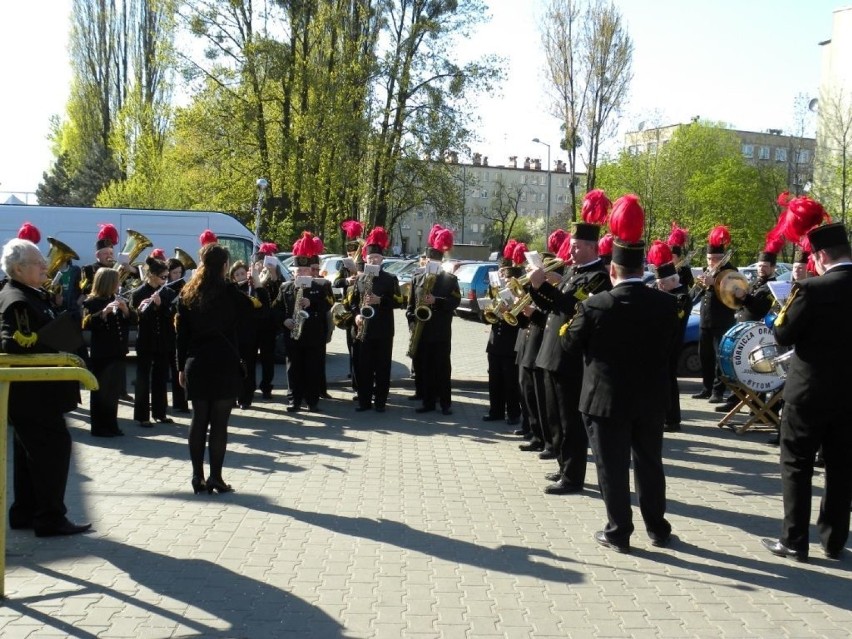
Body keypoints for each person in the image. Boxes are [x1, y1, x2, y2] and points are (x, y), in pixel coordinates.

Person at [561, 196, 681, 554]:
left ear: (612, 270)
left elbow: (569, 345)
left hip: (605, 400)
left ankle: (619, 532)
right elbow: (671, 349)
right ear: (642, 267)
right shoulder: (666, 304)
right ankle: (658, 529)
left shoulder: (596, 304)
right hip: (649, 400)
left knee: (611, 467)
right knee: (650, 465)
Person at [762, 211, 851, 563]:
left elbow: (783, 333)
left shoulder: (810, 288)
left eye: (813, 257)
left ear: (823, 256)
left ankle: (794, 540)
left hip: (809, 391)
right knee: (842, 467)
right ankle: (833, 540)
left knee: (796, 464)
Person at [0, 238, 91, 536]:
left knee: (29, 453)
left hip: (32, 394)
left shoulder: (28, 294)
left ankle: (25, 512)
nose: (45, 265)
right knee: (54, 448)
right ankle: (50, 518)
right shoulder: (18, 300)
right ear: (18, 268)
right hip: (34, 395)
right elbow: (13, 343)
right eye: (38, 262)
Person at [528, 190, 612, 495]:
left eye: (576, 248)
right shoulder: (574, 272)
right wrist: (535, 288)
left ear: (591, 247)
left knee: (570, 421)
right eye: (571, 247)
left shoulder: (598, 278)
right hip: (553, 352)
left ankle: (573, 475)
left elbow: (569, 306)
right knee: (554, 417)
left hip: (570, 356)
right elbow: (551, 306)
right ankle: (564, 465)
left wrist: (544, 287)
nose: (571, 252)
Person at [177, 242, 255, 495]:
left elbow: (182, 336)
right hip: (224, 363)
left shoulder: (188, 293)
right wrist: (255, 285)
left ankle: (197, 477)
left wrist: (180, 368)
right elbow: (254, 313)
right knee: (219, 424)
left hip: (196, 363)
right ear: (224, 266)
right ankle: (216, 478)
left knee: (198, 420)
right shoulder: (231, 293)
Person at [275, 232, 332, 412]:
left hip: (313, 335)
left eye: (305, 271)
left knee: (312, 369)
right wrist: (284, 320)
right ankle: (294, 399)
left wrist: (312, 304)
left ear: (310, 272)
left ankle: (312, 401)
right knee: (293, 369)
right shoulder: (286, 288)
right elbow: (275, 309)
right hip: (293, 334)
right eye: (298, 271)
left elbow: (326, 307)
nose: (301, 274)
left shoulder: (319, 287)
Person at [406, 225, 460, 415]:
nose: (431, 263)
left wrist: (437, 301)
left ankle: (445, 404)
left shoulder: (450, 279)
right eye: (429, 260)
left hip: (440, 331)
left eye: (435, 260)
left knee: (443, 369)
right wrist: (413, 325)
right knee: (426, 368)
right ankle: (427, 402)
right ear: (425, 260)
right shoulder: (417, 277)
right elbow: (410, 305)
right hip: (422, 330)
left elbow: (455, 301)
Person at [350, 227, 402, 412]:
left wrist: (381, 300)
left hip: (383, 330)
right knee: (364, 368)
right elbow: (353, 302)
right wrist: (356, 314)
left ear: (382, 260)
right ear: (365, 259)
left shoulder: (390, 279)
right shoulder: (360, 279)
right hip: (364, 329)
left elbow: (399, 301)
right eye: (370, 258)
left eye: (377, 258)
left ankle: (380, 402)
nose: (373, 260)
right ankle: (364, 402)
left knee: (382, 368)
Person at [81, 268, 134, 437]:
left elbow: (132, 320)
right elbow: (86, 324)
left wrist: (125, 310)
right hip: (102, 354)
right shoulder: (91, 302)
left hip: (118, 352)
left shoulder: (118, 299)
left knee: (113, 392)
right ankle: (98, 427)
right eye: (116, 282)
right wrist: (103, 313)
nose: (119, 285)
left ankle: (112, 425)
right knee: (100, 392)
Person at [647, 240, 692, 433]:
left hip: (673, 343)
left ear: (673, 280)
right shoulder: (666, 292)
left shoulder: (681, 295)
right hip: (660, 342)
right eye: (658, 284)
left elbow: (674, 315)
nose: (660, 287)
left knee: (669, 381)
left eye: (662, 284)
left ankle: (672, 418)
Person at [690, 226, 737, 403]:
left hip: (722, 321)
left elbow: (734, 294)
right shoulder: (707, 270)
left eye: (716, 259)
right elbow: (696, 295)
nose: (712, 262)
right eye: (709, 259)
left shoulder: (731, 271)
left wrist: (714, 283)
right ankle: (706, 387)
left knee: (720, 358)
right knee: (705, 356)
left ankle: (718, 391)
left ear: (723, 258)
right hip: (705, 321)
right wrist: (700, 285)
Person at [130, 256, 178, 426]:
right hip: (146, 340)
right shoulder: (139, 293)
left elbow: (171, 315)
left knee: (161, 377)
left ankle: (160, 412)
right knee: (143, 378)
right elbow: (137, 319)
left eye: (167, 277)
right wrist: (149, 306)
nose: (166, 281)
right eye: (163, 277)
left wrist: (161, 305)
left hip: (163, 340)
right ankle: (142, 415)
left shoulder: (168, 292)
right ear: (151, 275)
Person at [483, 240, 524, 426]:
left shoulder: (521, 297)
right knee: (494, 379)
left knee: (510, 381)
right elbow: (487, 318)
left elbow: (522, 322)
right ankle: (496, 410)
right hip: (495, 342)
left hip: (511, 344)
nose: (506, 284)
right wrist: (491, 310)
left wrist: (513, 307)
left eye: (509, 281)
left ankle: (513, 413)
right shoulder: (498, 294)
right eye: (504, 280)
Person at [230, 260, 268, 409]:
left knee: (248, 367)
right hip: (233, 335)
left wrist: (257, 282)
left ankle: (246, 398)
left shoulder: (252, 288)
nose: (240, 276)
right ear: (233, 277)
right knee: (232, 368)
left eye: (242, 273)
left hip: (248, 335)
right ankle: (233, 396)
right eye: (237, 274)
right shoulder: (231, 289)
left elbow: (263, 309)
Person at [253, 242, 280, 399]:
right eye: (259, 263)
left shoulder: (274, 277)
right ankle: (248, 387)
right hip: (252, 323)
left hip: (268, 324)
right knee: (249, 357)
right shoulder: (252, 277)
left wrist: (273, 274)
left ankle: (266, 387)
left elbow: (278, 297)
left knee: (267, 358)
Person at [165, 257, 190, 413]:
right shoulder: (165, 288)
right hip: (167, 330)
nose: (178, 275)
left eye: (180, 272)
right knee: (173, 368)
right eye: (175, 272)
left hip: (179, 330)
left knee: (178, 368)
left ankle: (181, 403)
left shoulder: (183, 286)